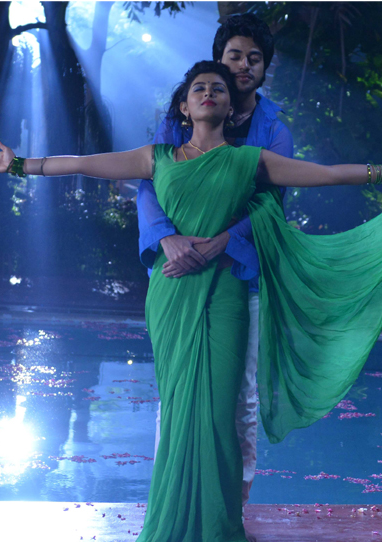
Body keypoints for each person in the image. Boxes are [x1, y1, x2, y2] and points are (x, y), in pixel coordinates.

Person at [0, 61, 382, 542]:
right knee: (178, 410)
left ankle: (221, 534)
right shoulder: (156, 158)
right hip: (173, 292)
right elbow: (85, 163)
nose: (208, 92)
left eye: (218, 88)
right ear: (184, 106)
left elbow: (326, 175)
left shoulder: (249, 160)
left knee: (220, 414)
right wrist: (18, 165)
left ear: (228, 105)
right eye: (198, 87)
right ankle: (170, 527)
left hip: (226, 294)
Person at [138, 13, 293, 516]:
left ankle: (231, 505)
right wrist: (166, 238)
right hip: (178, 269)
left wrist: (225, 240)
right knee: (176, 388)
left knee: (241, 394)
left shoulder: (273, 131)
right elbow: (151, 182)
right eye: (234, 56)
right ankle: (171, 503)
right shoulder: (183, 115)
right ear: (218, 59)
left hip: (241, 273)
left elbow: (270, 204)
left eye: (254, 59)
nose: (244, 65)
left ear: (264, 69)